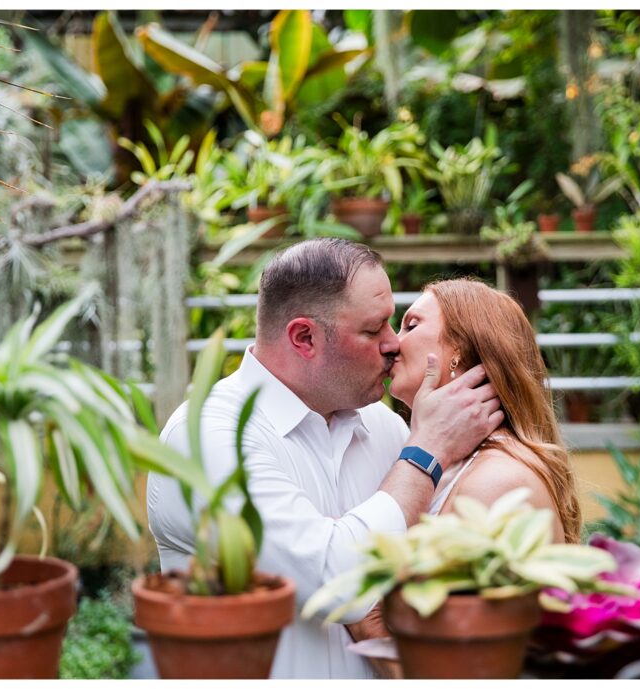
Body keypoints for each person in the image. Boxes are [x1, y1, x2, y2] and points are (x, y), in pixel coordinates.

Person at [146, 239, 504, 679]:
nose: (393, 344)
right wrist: (427, 452)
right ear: (304, 338)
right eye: (374, 331)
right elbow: (336, 583)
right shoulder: (206, 439)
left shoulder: (384, 427)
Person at [346, 277, 583, 675]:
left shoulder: (497, 484)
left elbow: (456, 674)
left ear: (458, 351)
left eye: (411, 324)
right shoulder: (455, 465)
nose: (391, 343)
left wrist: (363, 622)